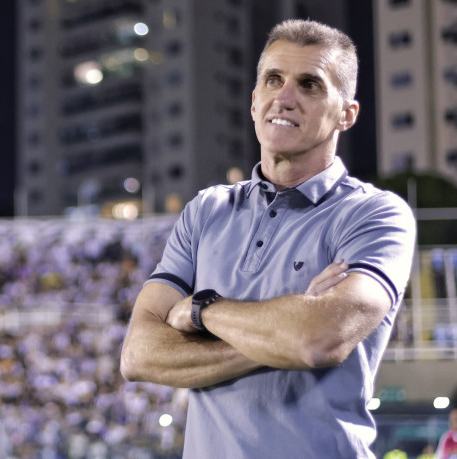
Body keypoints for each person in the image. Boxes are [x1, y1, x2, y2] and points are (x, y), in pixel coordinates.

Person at [120, 19, 416, 458]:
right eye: (273, 79)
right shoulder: (207, 210)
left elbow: (318, 341)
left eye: (310, 84)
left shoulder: (375, 214)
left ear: (346, 113)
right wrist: (282, 334)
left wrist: (202, 310)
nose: (285, 96)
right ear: (255, 100)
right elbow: (139, 356)